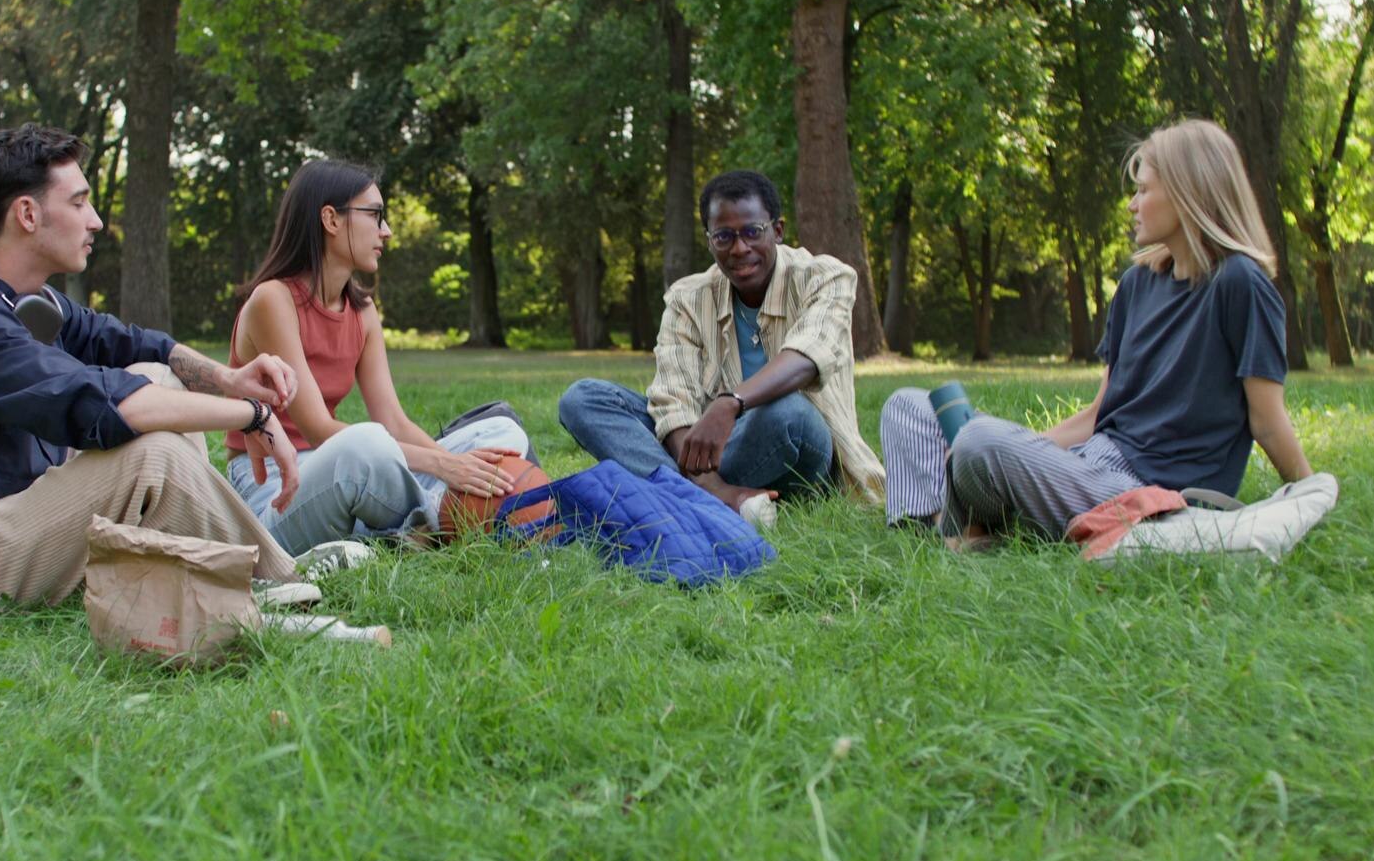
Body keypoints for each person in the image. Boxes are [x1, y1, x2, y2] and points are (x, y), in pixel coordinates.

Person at [0, 124, 307, 610]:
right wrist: (251, 415)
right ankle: (272, 575)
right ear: (27, 214)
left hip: (15, 511)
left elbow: (127, 343)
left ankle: (210, 563)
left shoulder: (24, 298)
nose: (95, 221)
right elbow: (94, 401)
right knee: (153, 453)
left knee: (158, 376)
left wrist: (227, 380)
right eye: (78, 203)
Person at [881, 118, 1314, 547]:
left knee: (978, 441)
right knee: (908, 407)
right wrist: (1024, 453)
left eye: (1143, 190)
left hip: (1150, 495)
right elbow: (1097, 416)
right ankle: (949, 523)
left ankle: (965, 525)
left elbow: (1267, 422)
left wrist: (1309, 497)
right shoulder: (1136, 285)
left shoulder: (1240, 284)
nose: (1132, 205)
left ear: (1188, 194)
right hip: (1088, 466)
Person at [224, 160, 531, 556]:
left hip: (347, 469)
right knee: (366, 444)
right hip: (275, 491)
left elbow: (394, 422)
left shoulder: (362, 311)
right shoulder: (272, 300)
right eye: (375, 215)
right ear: (331, 219)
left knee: (503, 433)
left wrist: (458, 467)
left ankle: (407, 528)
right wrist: (441, 467)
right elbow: (318, 431)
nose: (386, 231)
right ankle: (436, 521)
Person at [556, 170, 884, 527]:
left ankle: (673, 495)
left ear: (777, 230)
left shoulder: (826, 277)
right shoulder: (688, 298)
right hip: (706, 454)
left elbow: (809, 356)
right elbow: (674, 400)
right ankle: (714, 499)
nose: (739, 248)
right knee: (584, 398)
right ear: (709, 241)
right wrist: (710, 481)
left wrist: (730, 403)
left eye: (752, 232)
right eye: (724, 236)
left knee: (787, 410)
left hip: (796, 449)